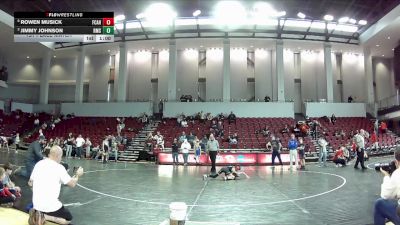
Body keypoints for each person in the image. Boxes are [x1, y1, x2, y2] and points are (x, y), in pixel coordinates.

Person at [28, 145, 84, 225]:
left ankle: (39, 214)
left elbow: (30, 183)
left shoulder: (39, 164)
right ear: (58, 156)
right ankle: (44, 216)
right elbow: (72, 184)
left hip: (36, 204)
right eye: (61, 156)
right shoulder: (59, 168)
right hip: (50, 206)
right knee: (68, 219)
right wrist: (78, 175)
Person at [373, 149, 400, 225]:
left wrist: (387, 176)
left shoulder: (397, 173)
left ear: (397, 161)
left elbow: (385, 195)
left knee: (379, 204)